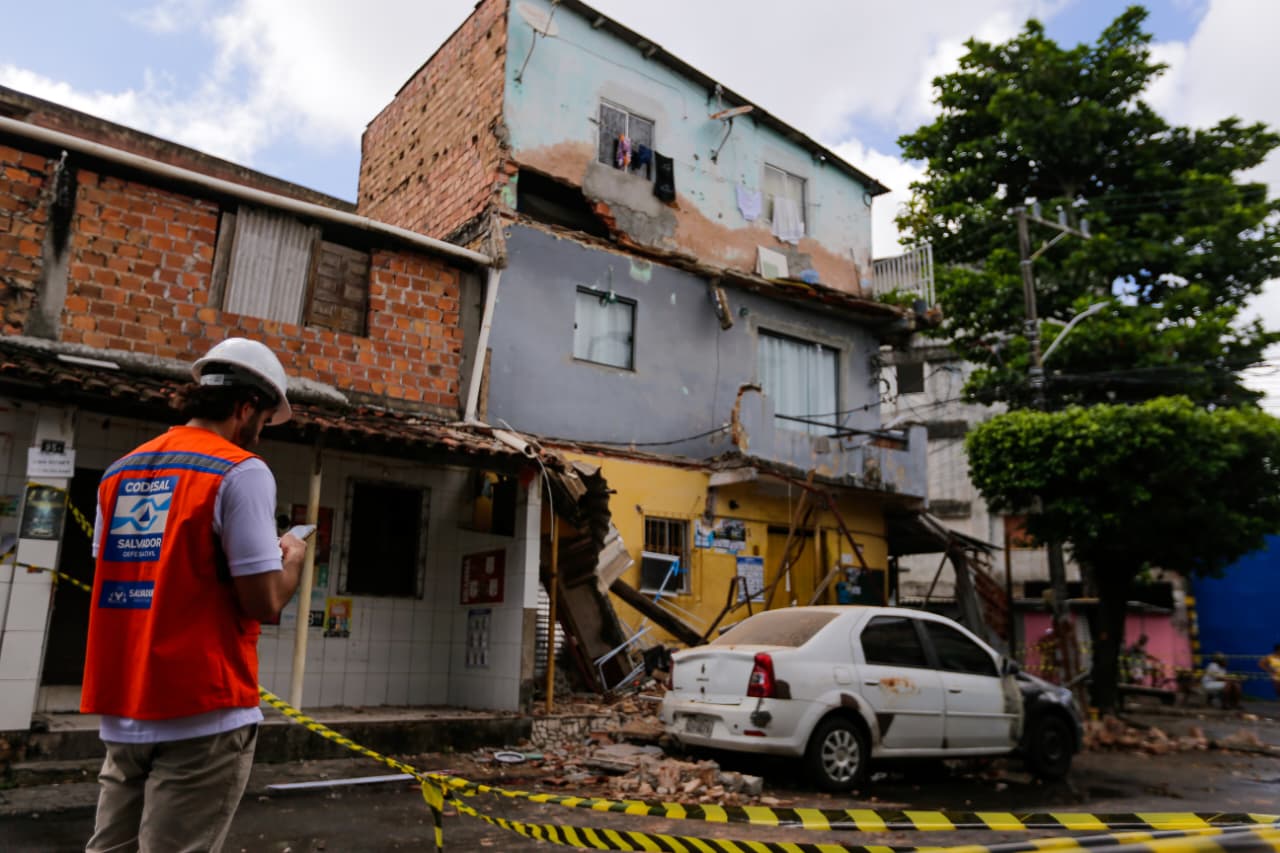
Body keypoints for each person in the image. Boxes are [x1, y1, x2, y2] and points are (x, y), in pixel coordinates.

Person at [82, 338, 307, 853]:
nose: (260, 434)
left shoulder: (118, 473)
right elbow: (263, 602)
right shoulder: (241, 470)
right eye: (263, 421)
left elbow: (124, 571)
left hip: (125, 704)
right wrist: (291, 560)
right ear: (245, 407)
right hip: (204, 708)